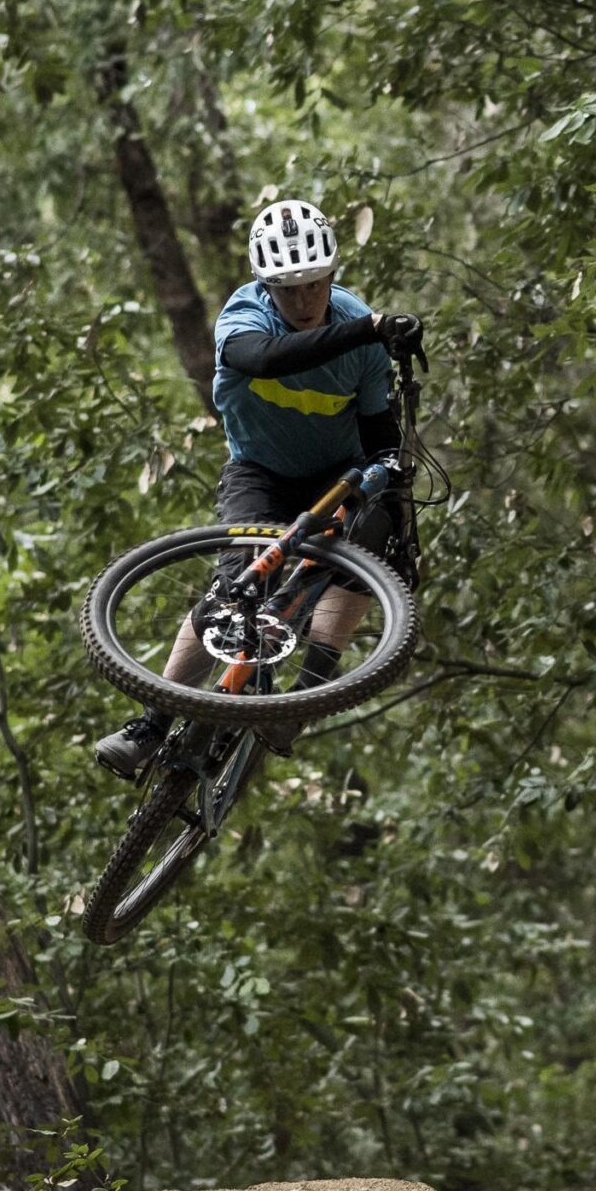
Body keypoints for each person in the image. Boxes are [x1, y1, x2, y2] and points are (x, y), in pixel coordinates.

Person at [95, 197, 424, 779]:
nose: (303, 300)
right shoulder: (245, 315)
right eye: (287, 288)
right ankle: (150, 726)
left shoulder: (358, 329)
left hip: (335, 473)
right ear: (265, 285)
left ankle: (300, 701)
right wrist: (366, 331)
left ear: (332, 274)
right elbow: (266, 360)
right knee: (233, 593)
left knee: (373, 540)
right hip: (260, 472)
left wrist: (396, 500)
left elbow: (379, 434)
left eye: (314, 284)